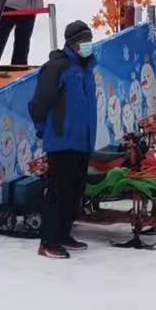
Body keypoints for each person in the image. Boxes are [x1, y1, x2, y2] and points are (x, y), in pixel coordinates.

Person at [27, 20, 98, 258]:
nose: (87, 45)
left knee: (75, 191)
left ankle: (63, 234)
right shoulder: (57, 67)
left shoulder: (87, 68)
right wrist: (43, 129)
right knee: (58, 192)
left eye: (89, 40)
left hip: (83, 141)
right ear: (72, 43)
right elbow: (39, 102)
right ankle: (48, 241)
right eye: (83, 41)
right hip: (61, 141)